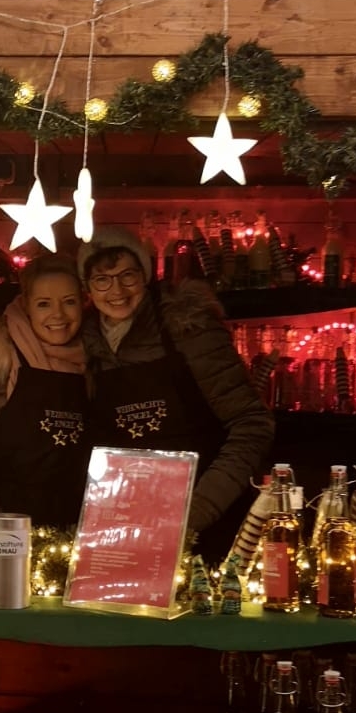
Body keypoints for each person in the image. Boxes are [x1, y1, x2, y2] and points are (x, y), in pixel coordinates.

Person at [78, 225, 274, 556]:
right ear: (88, 288)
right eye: (102, 279)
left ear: (146, 275)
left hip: (206, 530)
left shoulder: (188, 326)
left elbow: (252, 425)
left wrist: (197, 511)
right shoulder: (85, 344)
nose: (117, 290)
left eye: (128, 275)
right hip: (125, 531)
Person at [0, 253, 89, 525]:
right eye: (44, 304)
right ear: (26, 304)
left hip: (72, 526)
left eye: (69, 302)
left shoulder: (92, 358)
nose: (58, 315)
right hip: (0, 528)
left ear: (83, 303)